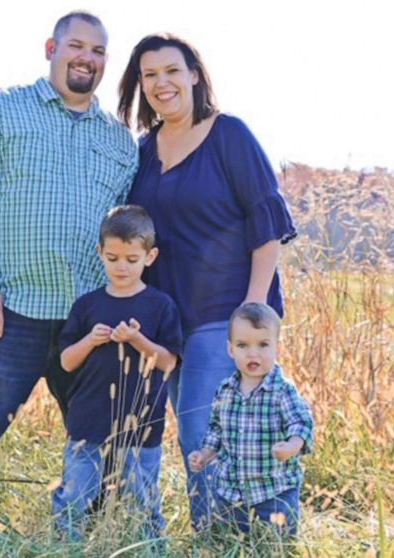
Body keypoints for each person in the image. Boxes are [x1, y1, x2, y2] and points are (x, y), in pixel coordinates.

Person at [0, 11, 138, 491]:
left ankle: (102, 531)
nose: (87, 58)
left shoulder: (120, 141)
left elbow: (125, 233)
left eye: (98, 50)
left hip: (87, 320)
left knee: (102, 438)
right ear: (50, 49)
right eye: (76, 45)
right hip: (6, 313)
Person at [117, 33, 298, 530]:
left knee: (204, 430)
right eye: (149, 74)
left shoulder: (228, 136)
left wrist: (253, 311)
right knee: (195, 438)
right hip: (166, 321)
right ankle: (219, 533)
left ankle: (232, 535)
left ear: (194, 74)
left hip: (224, 314)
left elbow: (267, 226)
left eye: (172, 71)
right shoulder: (142, 151)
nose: (161, 83)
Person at [52, 205, 182, 541]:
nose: (121, 267)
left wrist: (137, 339)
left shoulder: (160, 305)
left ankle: (151, 547)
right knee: (75, 495)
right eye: (112, 258)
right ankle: (66, 546)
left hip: (141, 423)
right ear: (100, 253)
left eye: (131, 259)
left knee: (143, 498)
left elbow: (167, 362)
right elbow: (66, 361)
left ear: (149, 257)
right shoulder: (87, 305)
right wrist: (89, 340)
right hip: (87, 420)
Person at [188, 303, 314, 537]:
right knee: (230, 542)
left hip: (274, 491)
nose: (252, 353)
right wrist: (205, 453)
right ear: (230, 349)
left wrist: (292, 446)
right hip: (230, 493)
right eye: (243, 345)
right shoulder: (225, 390)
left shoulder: (282, 391)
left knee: (273, 545)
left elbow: (301, 422)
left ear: (277, 347)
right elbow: (217, 428)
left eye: (263, 345)